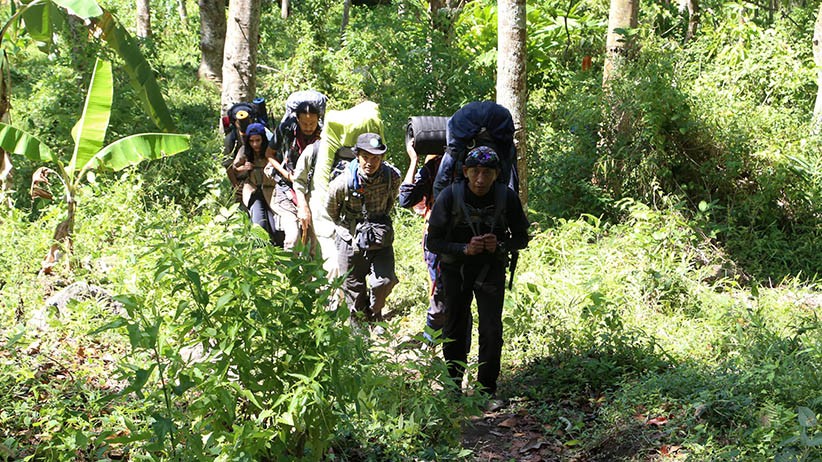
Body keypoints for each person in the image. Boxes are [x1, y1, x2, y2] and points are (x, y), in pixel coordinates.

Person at [425, 146, 530, 397]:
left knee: (491, 330)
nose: (480, 178)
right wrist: (464, 248)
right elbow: (433, 242)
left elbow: (522, 238)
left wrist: (501, 244)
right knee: (455, 328)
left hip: (490, 270)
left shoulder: (507, 198)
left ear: (496, 174)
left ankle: (486, 391)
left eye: (486, 172)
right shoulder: (450, 197)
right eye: (475, 172)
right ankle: (453, 387)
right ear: (465, 171)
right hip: (455, 271)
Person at [326, 133, 401, 328]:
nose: (370, 162)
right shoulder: (342, 183)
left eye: (375, 157)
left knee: (384, 281)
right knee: (354, 289)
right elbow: (332, 210)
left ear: (382, 158)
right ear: (357, 155)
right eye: (366, 157)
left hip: (379, 236)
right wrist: (348, 230)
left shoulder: (392, 176)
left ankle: (374, 311)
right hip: (350, 237)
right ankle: (359, 335)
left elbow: (390, 202)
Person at [398, 137, 446, 341]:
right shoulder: (433, 168)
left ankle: (436, 335)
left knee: (443, 287)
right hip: (437, 236)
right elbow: (406, 199)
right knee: (440, 286)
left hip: (445, 237)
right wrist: (414, 161)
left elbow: (406, 198)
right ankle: (435, 334)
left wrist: (414, 161)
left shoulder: (436, 167)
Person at [264, 101, 322, 250]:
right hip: (286, 189)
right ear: (297, 119)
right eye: (304, 124)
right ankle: (289, 271)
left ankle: (310, 272)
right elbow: (269, 154)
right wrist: (286, 174)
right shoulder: (286, 129)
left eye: (312, 123)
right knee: (293, 237)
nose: (308, 127)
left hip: (313, 190)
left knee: (314, 240)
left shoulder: (324, 135)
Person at [233, 122, 279, 242]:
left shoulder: (271, 150)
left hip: (271, 191)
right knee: (259, 226)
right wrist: (243, 168)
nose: (255, 144)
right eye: (252, 141)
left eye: (258, 140)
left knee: (276, 228)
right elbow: (233, 169)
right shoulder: (245, 151)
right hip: (253, 191)